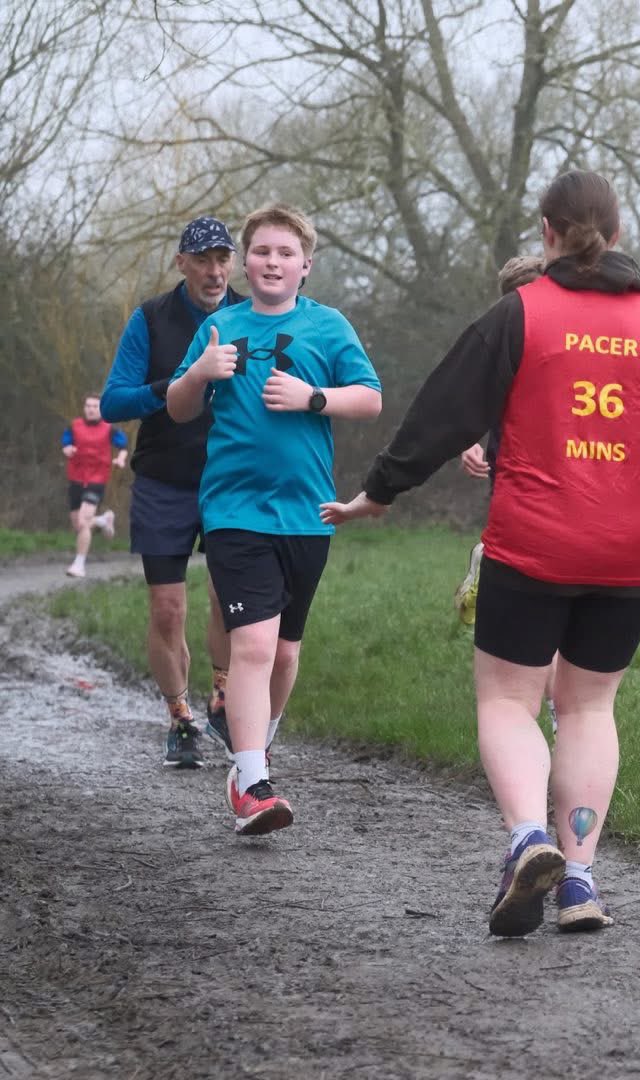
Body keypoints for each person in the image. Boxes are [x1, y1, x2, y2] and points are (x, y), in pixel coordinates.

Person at [320, 169, 640, 937]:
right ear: (620, 235)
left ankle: (530, 837)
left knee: (508, 701)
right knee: (590, 706)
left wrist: (381, 490)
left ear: (547, 233)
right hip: (634, 552)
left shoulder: (519, 313)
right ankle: (581, 880)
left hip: (534, 543)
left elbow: (442, 408)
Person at [167, 203, 382, 836]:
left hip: (307, 514)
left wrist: (313, 397)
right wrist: (201, 373)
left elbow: (369, 399)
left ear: (305, 266)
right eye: (261, 251)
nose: (272, 262)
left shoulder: (329, 326)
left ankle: (252, 749)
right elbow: (177, 408)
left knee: (286, 653)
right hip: (235, 510)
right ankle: (253, 781)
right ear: (246, 260)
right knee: (254, 646)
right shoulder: (219, 327)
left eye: (286, 253)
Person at [100, 216, 245, 769]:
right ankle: (180, 716)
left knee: (229, 602)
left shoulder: (249, 315)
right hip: (164, 478)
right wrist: (184, 381)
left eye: (222, 259)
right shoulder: (151, 319)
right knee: (167, 608)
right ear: (180, 263)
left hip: (232, 479)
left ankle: (226, 699)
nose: (214, 271)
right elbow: (114, 402)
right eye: (202, 260)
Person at [453, 255, 559, 734]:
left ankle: (558, 705)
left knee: (558, 605)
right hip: (516, 491)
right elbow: (466, 409)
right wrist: (471, 446)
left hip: (571, 491)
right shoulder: (502, 346)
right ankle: (542, 704)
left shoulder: (572, 351)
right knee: (538, 611)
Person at [62, 393, 128, 578]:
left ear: (100, 409)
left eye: (95, 406)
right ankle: (103, 520)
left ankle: (79, 564)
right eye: (88, 406)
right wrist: (68, 449)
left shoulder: (109, 429)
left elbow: (123, 446)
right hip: (76, 478)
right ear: (84, 408)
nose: (91, 409)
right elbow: (66, 443)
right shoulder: (74, 426)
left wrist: (121, 459)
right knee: (77, 524)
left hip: (96, 479)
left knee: (83, 521)